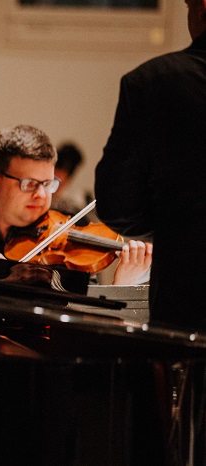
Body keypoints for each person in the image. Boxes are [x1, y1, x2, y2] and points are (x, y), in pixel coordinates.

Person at [0, 124, 152, 287]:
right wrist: (3, 282)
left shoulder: (70, 239)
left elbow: (84, 318)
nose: (41, 195)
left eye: (48, 183)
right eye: (29, 184)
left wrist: (121, 285)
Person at [95, 0, 206, 327]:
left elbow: (118, 206)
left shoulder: (153, 83)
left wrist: (177, 224)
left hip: (189, 304)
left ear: (201, 6)